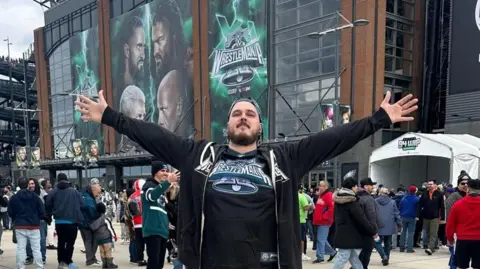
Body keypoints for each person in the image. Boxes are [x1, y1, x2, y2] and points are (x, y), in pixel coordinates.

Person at [75, 90, 417, 269]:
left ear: (260, 126)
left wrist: (376, 120)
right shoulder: (199, 156)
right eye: (236, 114)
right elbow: (153, 135)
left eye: (250, 114)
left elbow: (333, 139)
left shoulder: (283, 159)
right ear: (227, 126)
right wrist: (109, 116)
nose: (243, 118)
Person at [332, 177, 377, 269]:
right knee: (342, 258)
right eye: (356, 186)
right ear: (352, 187)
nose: (357, 188)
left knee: (353, 258)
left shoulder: (338, 200)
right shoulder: (352, 202)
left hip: (342, 232)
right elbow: (361, 219)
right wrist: (372, 230)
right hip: (349, 235)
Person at [142, 161, 179, 269]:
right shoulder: (149, 185)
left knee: (159, 265)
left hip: (162, 232)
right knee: (154, 263)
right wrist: (168, 182)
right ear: (155, 173)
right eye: (162, 171)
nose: (166, 173)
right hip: (153, 230)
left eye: (167, 171)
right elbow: (151, 196)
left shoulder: (161, 190)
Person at [45, 173, 85, 268]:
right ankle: (68, 261)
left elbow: (48, 205)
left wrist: (49, 216)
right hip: (72, 221)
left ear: (57, 181)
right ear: (67, 180)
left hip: (59, 222)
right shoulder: (74, 192)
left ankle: (61, 262)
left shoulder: (53, 192)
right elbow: (82, 205)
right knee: (70, 243)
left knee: (61, 242)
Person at [8, 177, 45, 269]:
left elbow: (10, 212)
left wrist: (15, 218)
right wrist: (38, 217)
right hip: (34, 225)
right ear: (28, 184)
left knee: (21, 248)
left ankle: (20, 267)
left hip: (20, 224)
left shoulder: (14, 197)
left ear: (18, 185)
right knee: (36, 248)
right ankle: (39, 266)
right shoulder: (35, 196)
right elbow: (42, 210)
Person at [446, 178, 480, 269]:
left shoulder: (458, 204)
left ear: (468, 189)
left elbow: (450, 224)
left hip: (462, 240)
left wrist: (450, 238)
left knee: (461, 266)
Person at [417, 179, 445, 255]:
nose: (429, 185)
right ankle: (431, 247)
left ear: (435, 185)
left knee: (433, 233)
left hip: (435, 217)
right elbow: (420, 204)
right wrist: (417, 215)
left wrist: (442, 218)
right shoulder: (424, 194)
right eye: (428, 184)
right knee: (427, 232)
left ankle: (430, 248)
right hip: (425, 217)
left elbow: (442, 206)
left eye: (431, 184)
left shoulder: (439, 194)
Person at [375, 187, 402, 265]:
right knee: (387, 242)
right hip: (389, 225)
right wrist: (399, 224)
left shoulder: (375, 201)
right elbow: (396, 214)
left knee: (377, 242)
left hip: (378, 224)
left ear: (379, 193)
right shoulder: (392, 202)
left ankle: (383, 256)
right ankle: (387, 257)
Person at [312, 180, 336, 264]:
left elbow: (331, 208)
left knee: (320, 239)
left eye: (321, 185)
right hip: (320, 220)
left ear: (325, 187)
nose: (319, 187)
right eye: (319, 185)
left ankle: (320, 257)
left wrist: (326, 217)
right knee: (322, 239)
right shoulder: (321, 195)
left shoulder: (328, 195)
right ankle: (332, 252)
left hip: (324, 221)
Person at [89, 203, 118, 268]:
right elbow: (110, 228)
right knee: (108, 251)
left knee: (102, 251)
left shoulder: (94, 218)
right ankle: (109, 264)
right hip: (106, 237)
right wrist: (114, 236)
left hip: (98, 239)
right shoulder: (105, 218)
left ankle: (104, 264)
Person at [80, 182, 102, 266]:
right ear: (93, 190)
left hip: (84, 223)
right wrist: (99, 213)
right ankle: (90, 260)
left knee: (88, 241)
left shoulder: (85, 195)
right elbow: (92, 212)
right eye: (98, 192)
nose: (98, 194)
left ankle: (92, 258)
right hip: (88, 223)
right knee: (90, 241)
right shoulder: (88, 199)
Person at [127, 179, 147, 266]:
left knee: (139, 242)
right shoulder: (147, 194)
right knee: (150, 242)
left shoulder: (132, 196)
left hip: (137, 223)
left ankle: (139, 259)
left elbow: (130, 211)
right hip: (147, 222)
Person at [399, 185, 420, 253]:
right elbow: (418, 209)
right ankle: (409, 248)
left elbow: (400, 207)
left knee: (403, 232)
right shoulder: (417, 199)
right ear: (415, 191)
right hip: (412, 217)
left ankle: (401, 247)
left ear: (408, 190)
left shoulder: (403, 198)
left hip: (403, 217)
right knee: (411, 233)